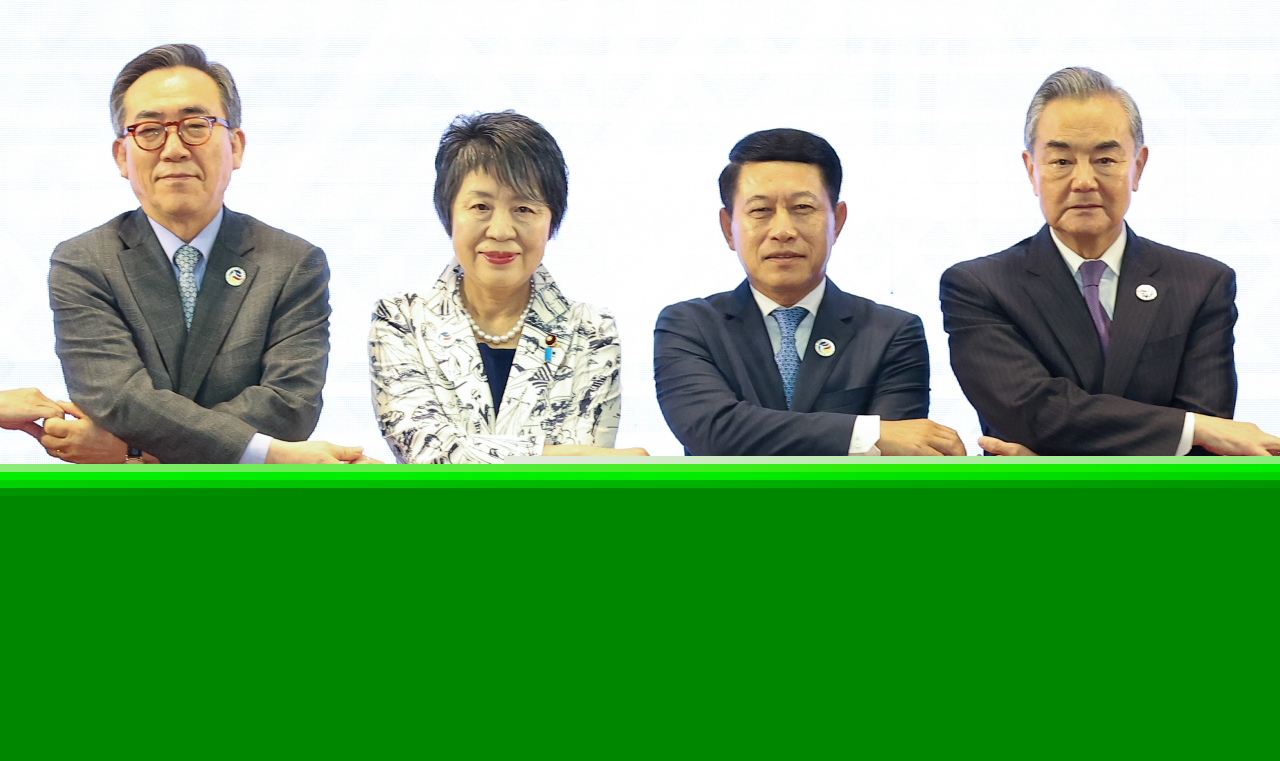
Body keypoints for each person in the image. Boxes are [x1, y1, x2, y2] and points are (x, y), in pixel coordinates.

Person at [46, 44, 378, 464]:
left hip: (245, 503)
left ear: (236, 146)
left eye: (196, 125)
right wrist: (259, 450)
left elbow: (290, 407)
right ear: (121, 157)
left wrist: (135, 448)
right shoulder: (84, 261)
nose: (173, 149)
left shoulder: (293, 262)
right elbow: (117, 398)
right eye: (149, 131)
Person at [941, 67, 1280, 457]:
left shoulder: (1201, 283)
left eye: (1105, 159)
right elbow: (1034, 414)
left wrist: (1056, 464)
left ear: (1137, 166)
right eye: (1061, 161)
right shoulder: (980, 286)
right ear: (1031, 169)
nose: (1084, 181)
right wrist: (1191, 429)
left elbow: (1206, 446)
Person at [654, 129, 967, 456]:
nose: (783, 231)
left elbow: (897, 453)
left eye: (803, 207)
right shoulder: (690, 325)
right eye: (760, 211)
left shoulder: (891, 332)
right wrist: (863, 433)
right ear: (727, 228)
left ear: (838, 221)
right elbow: (713, 431)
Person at [369, 111, 648, 463]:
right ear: (448, 213)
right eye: (481, 206)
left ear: (551, 220)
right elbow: (428, 454)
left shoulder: (592, 330)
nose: (501, 230)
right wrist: (564, 454)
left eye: (524, 208)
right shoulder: (400, 320)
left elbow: (581, 474)